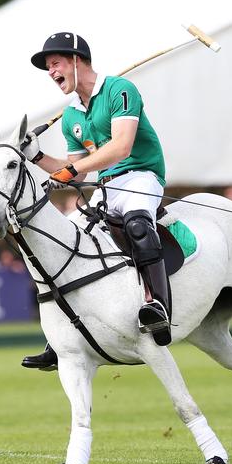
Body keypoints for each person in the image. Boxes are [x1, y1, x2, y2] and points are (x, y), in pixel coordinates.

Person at [21, 32, 170, 370]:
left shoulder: (120, 90)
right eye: (48, 67)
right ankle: (58, 339)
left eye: (55, 63)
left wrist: (71, 168)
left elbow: (121, 149)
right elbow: (78, 175)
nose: (51, 71)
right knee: (64, 240)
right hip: (105, 185)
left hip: (142, 175)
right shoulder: (72, 115)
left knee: (137, 224)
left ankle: (156, 306)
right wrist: (38, 156)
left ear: (76, 60)